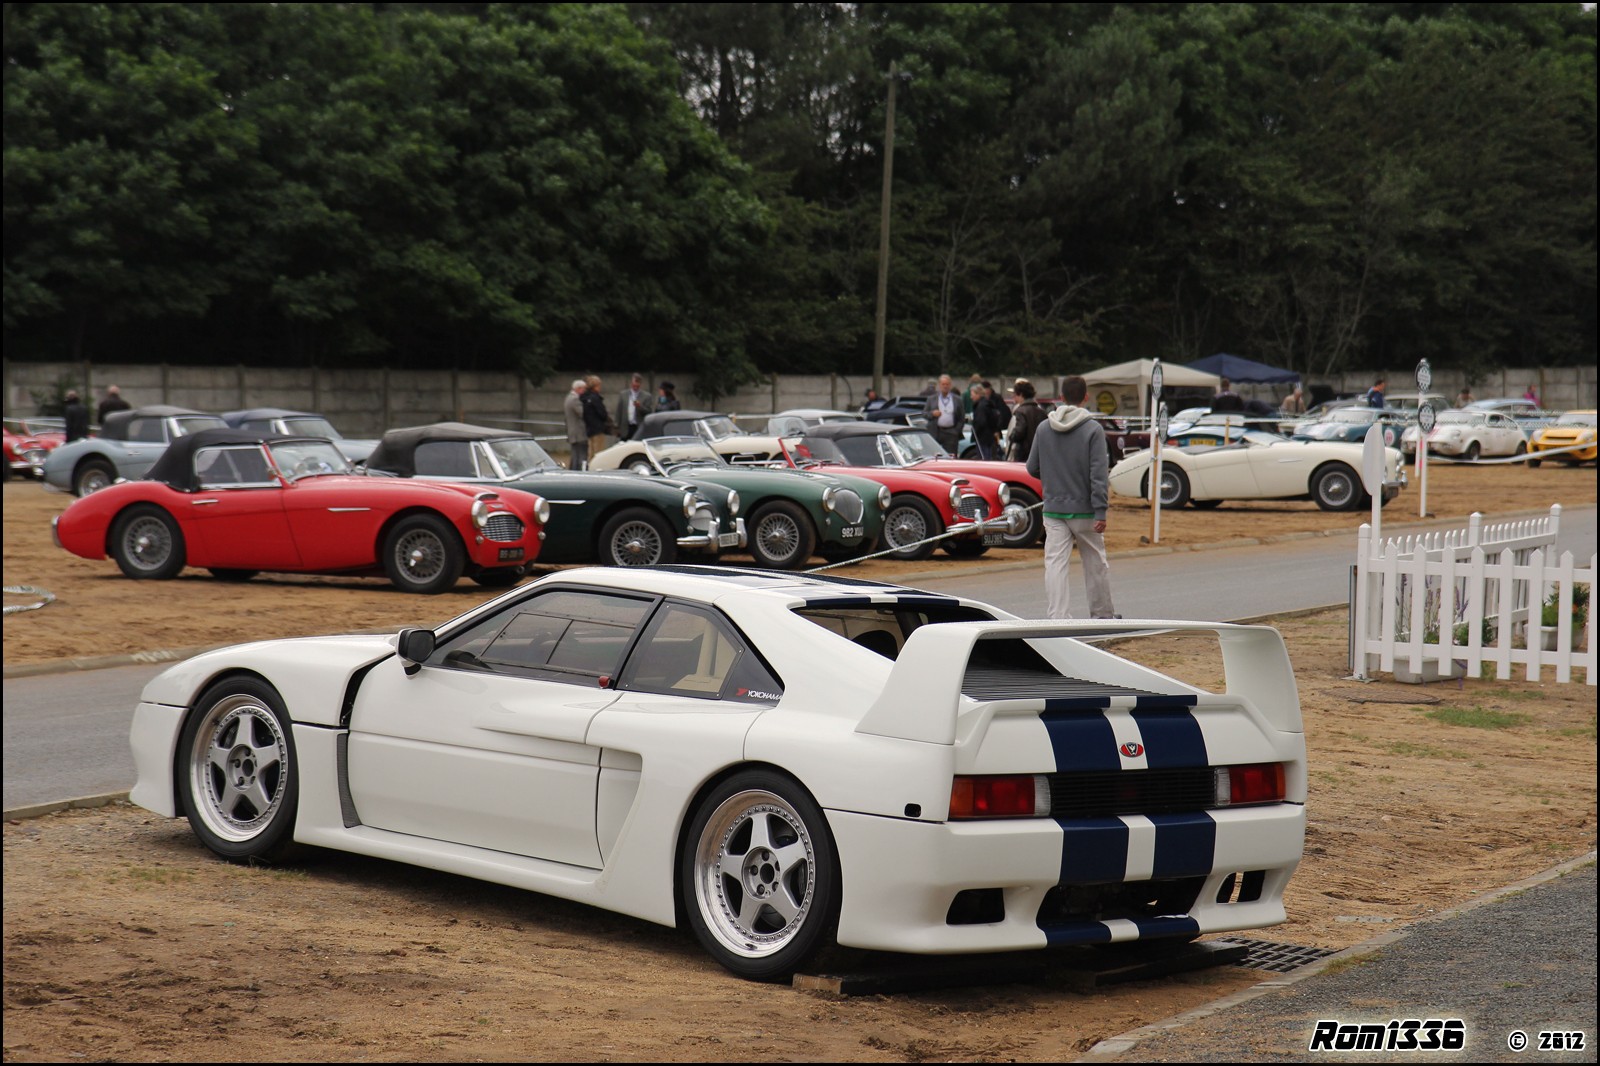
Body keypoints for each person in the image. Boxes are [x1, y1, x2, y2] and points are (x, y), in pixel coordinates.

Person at [1026, 375, 1115, 620]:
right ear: (1086, 397)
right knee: (1095, 562)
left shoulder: (1044, 428)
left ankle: (1057, 616)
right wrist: (1101, 510)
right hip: (1086, 509)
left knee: (1055, 564)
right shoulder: (1093, 429)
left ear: (1061, 398)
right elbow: (1098, 474)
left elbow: (1032, 467)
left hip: (1053, 508)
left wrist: (1054, 475)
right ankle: (1101, 614)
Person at [1005, 379, 1047, 463]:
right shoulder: (1041, 411)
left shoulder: (1021, 411)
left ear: (1020, 395)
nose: (1013, 397)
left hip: (1024, 453)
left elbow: (1019, 431)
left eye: (1015, 395)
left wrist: (1012, 436)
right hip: (1039, 452)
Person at [923, 374, 965, 454]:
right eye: (943, 384)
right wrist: (932, 413)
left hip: (951, 433)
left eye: (947, 384)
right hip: (936, 431)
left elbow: (961, 417)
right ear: (939, 385)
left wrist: (956, 431)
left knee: (951, 456)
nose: (945, 386)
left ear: (950, 385)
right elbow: (924, 413)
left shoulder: (957, 400)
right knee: (934, 455)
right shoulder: (931, 399)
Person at [615, 373, 654, 441]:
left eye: (637, 383)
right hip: (625, 427)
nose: (635, 385)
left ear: (640, 384)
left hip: (638, 427)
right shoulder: (623, 395)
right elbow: (619, 411)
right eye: (634, 383)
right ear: (631, 383)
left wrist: (640, 406)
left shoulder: (647, 396)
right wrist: (617, 426)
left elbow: (649, 412)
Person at [581, 375, 613, 459]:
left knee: (590, 453)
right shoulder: (595, 398)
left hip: (589, 429)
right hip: (598, 429)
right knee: (598, 453)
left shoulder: (584, 398)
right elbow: (602, 414)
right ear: (595, 386)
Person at [563, 379, 589, 469]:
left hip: (572, 432)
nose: (585, 391)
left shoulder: (568, 398)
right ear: (578, 388)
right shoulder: (575, 399)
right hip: (578, 433)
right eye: (583, 389)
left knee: (575, 455)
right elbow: (583, 413)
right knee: (580, 456)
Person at [970, 381, 1000, 459]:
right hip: (989, 437)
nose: (971, 397)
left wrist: (975, 430)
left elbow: (981, 422)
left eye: (972, 394)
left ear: (978, 394)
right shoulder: (987, 404)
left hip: (982, 438)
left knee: (983, 457)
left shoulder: (981, 406)